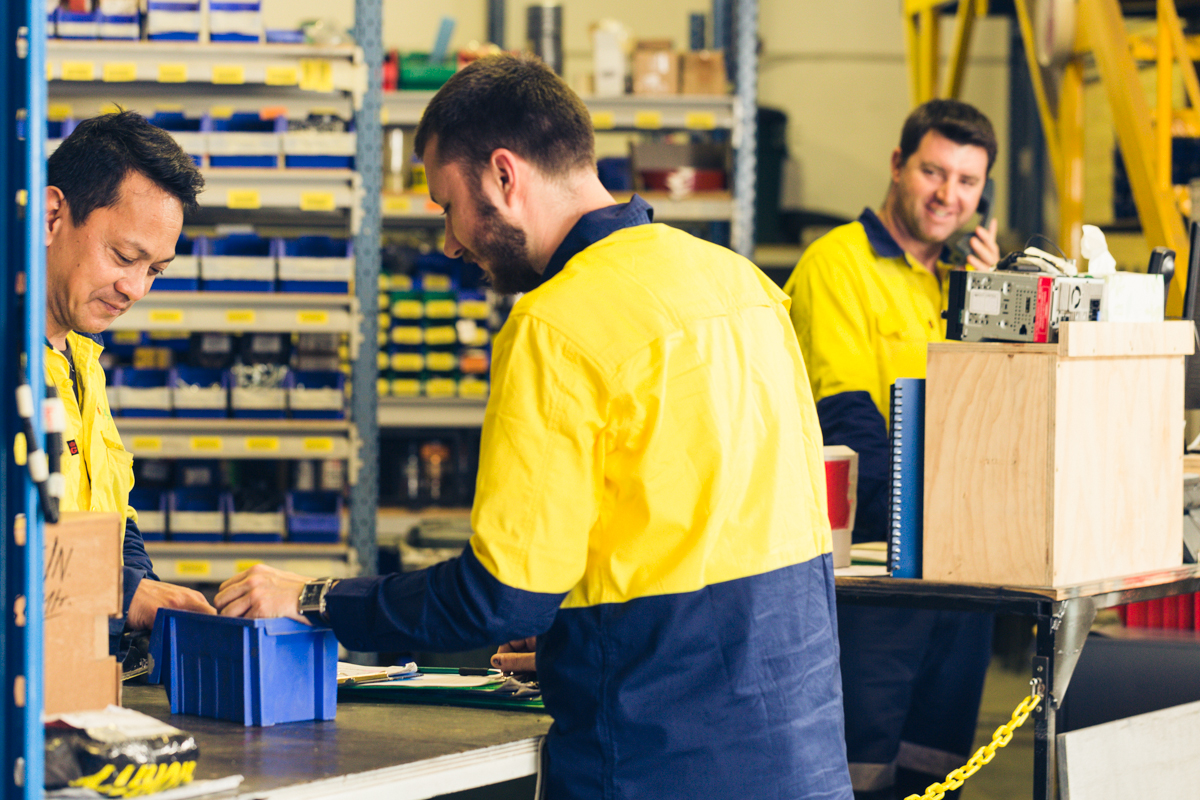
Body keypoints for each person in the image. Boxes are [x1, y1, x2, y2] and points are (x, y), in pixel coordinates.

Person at [216, 53, 852, 800]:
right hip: (800, 754)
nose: (450, 242)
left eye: (448, 206)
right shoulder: (742, 284)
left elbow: (499, 599)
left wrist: (316, 599)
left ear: (503, 176)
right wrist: (574, 628)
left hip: (657, 763)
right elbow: (697, 530)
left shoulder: (556, 325)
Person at [783, 99, 1000, 800]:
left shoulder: (960, 282)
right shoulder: (837, 264)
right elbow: (847, 424)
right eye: (933, 172)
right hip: (880, 572)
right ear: (898, 165)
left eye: (967, 182)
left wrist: (995, 299)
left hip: (960, 575)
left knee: (938, 771)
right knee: (860, 774)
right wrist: (919, 535)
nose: (947, 195)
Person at [44, 111, 215, 657]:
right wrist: (125, 594)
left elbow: (115, 519)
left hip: (74, 670)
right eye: (124, 257)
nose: (135, 289)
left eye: (155, 270)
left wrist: (140, 585)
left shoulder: (80, 357)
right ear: (52, 217)